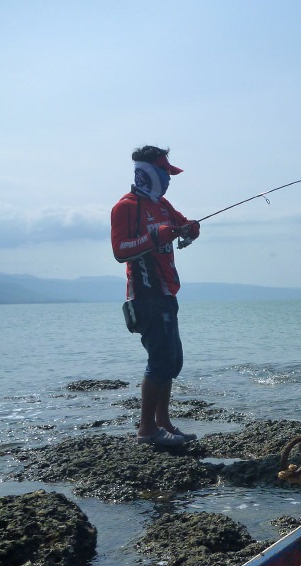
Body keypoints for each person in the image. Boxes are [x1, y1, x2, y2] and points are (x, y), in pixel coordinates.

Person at [111, 145, 201, 446]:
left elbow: (179, 227)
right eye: (165, 171)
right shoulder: (125, 207)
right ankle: (146, 430)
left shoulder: (163, 205)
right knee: (159, 360)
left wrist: (190, 230)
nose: (168, 177)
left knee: (173, 361)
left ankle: (163, 423)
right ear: (148, 171)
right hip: (145, 294)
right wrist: (153, 236)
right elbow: (120, 251)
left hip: (167, 291)